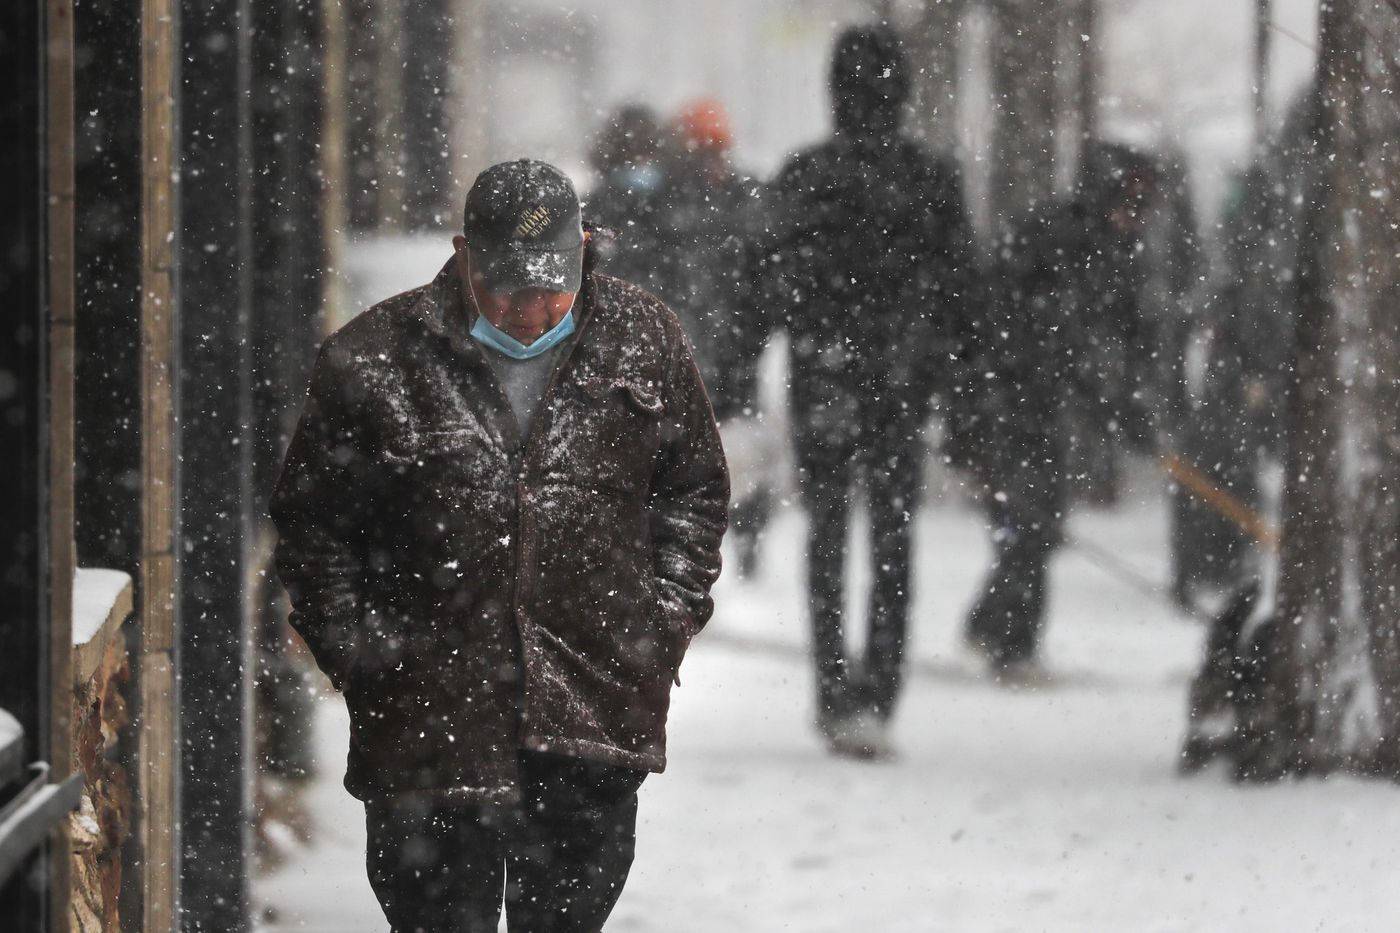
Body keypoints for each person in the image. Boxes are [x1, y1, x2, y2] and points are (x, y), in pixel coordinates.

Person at [271, 159, 729, 932]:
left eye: (554, 283)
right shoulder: (375, 358)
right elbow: (315, 526)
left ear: (585, 249)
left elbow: (693, 492)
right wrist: (360, 652)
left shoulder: (644, 338)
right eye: (509, 285)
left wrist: (660, 625)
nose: (532, 307)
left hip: (591, 712)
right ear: (463, 254)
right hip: (426, 729)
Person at [765, 26, 974, 757]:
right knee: (891, 537)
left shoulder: (804, 176)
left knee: (828, 537)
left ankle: (834, 690)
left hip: (826, 376)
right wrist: (962, 394)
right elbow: (960, 298)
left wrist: (739, 368)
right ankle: (877, 693)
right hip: (900, 384)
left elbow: (763, 282)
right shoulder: (932, 179)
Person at [952, 144, 1156, 673]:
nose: (1131, 217)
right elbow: (1004, 324)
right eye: (1125, 202)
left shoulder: (1114, 252)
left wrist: (1126, 408)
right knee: (1029, 520)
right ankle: (1009, 641)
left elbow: (1127, 337)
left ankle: (993, 627)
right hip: (1006, 401)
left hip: (1045, 407)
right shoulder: (1050, 238)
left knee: (1036, 522)